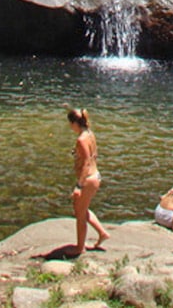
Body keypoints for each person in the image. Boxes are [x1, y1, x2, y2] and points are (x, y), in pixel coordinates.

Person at [66, 106, 110, 254]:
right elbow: (93, 154)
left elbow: (86, 162)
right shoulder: (89, 134)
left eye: (69, 123)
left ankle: (80, 248)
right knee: (82, 209)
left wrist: (79, 186)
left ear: (74, 123)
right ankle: (102, 233)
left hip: (88, 179)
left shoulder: (81, 139)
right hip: (94, 176)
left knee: (79, 214)